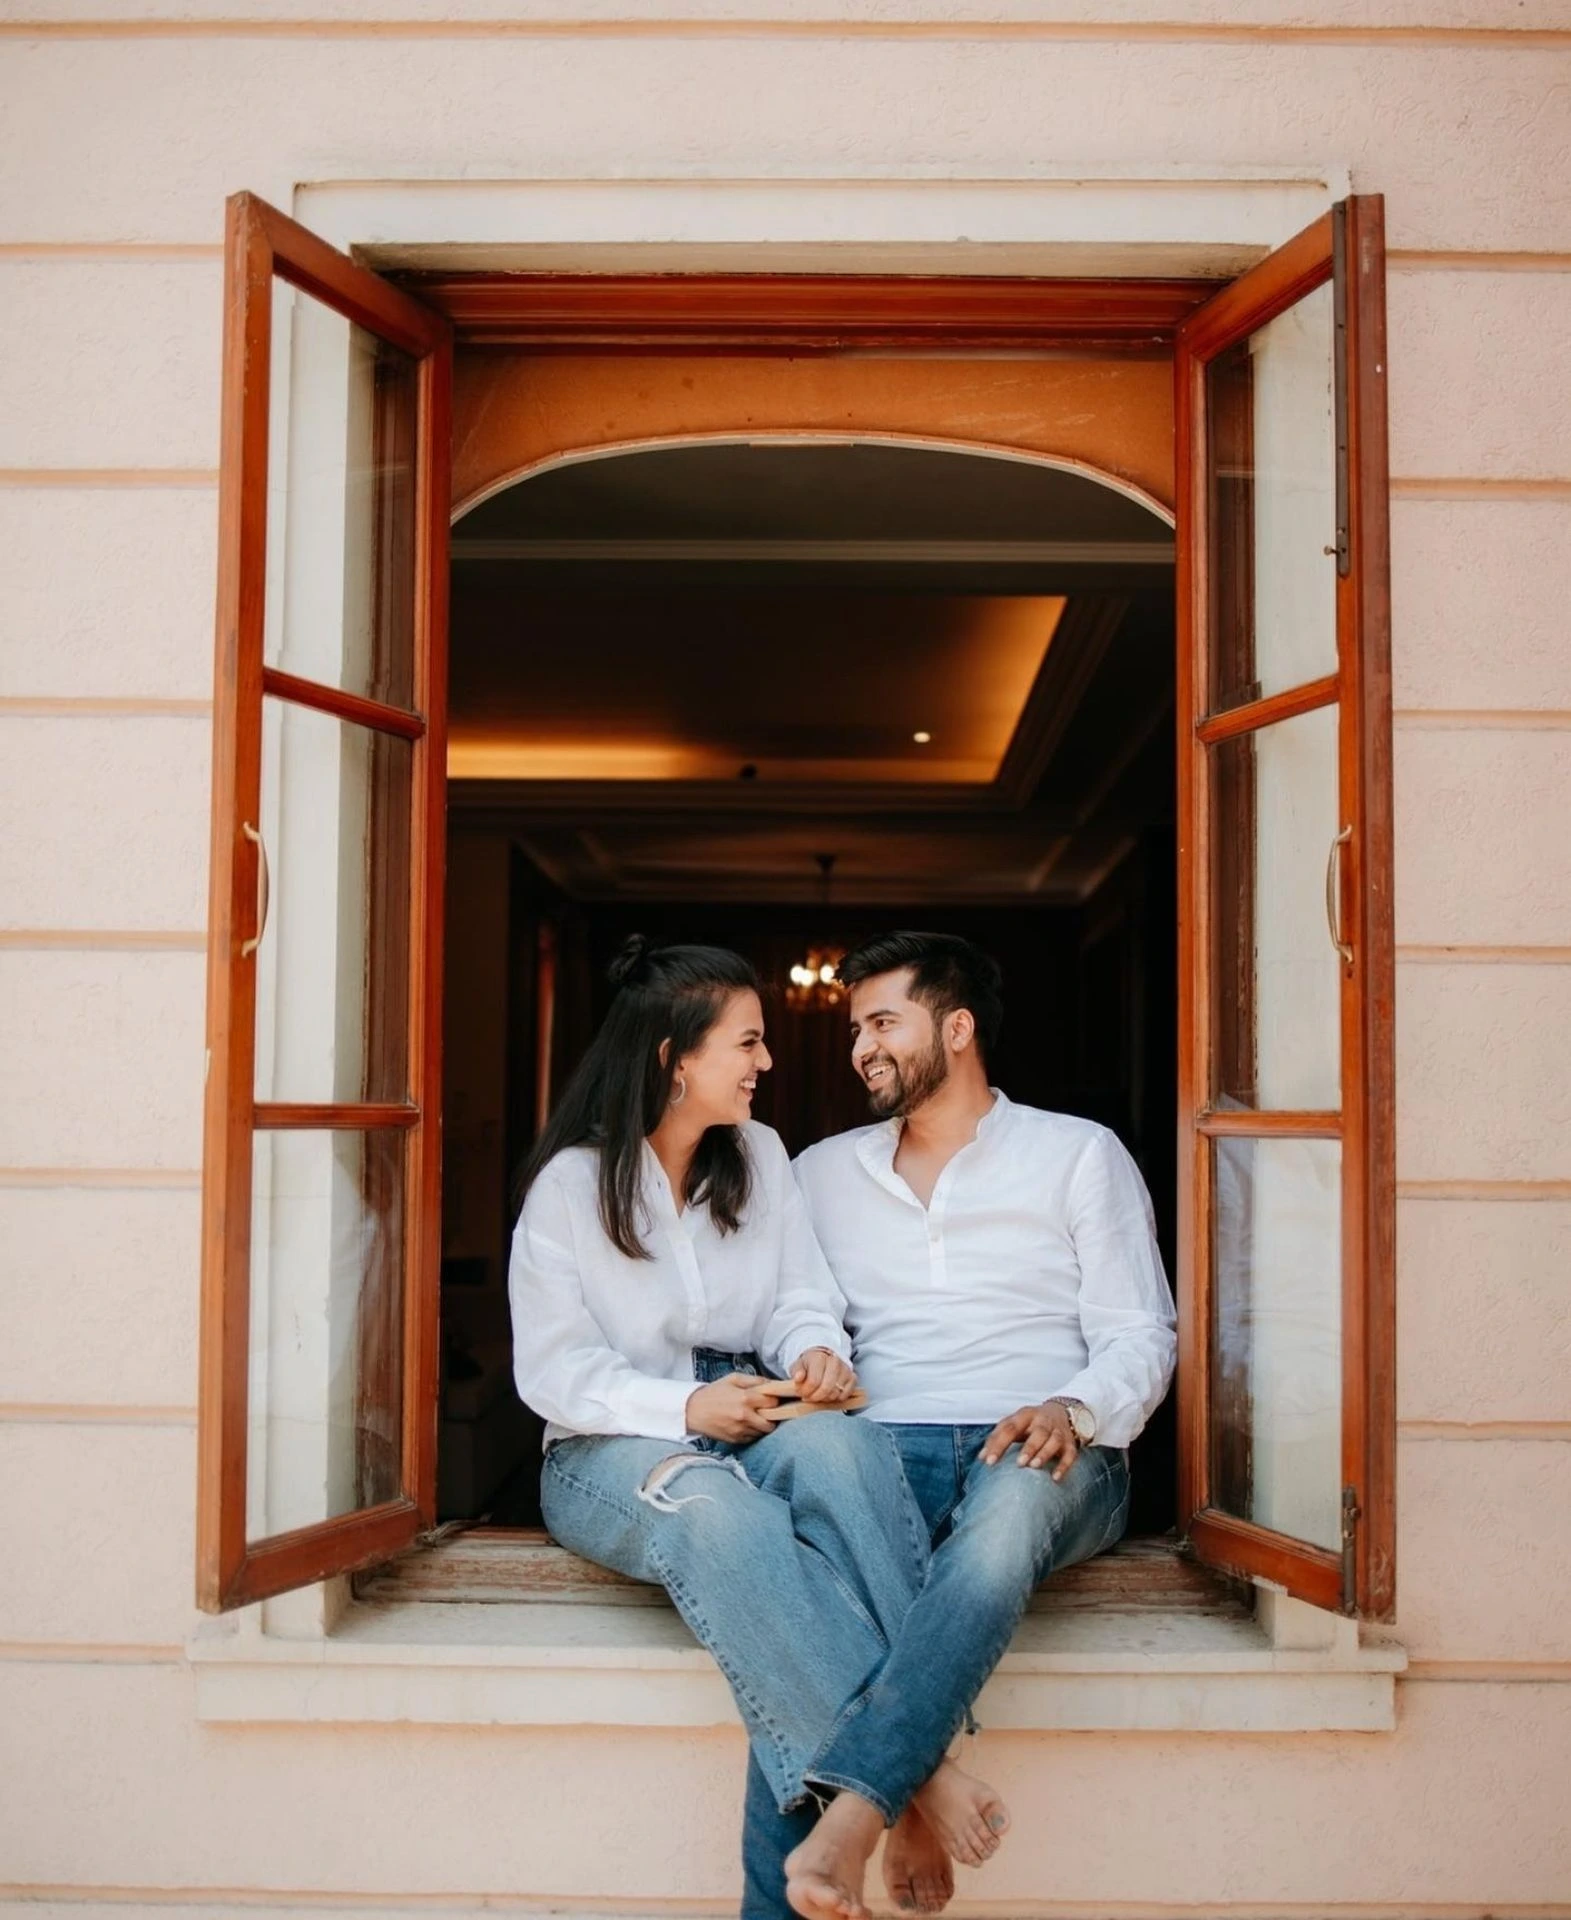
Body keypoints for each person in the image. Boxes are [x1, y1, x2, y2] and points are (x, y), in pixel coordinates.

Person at [508, 937, 1009, 1920]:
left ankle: (883, 1777)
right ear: (671, 1058)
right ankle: (911, 1778)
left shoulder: (762, 1155)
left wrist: (815, 1350)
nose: (765, 1063)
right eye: (745, 1043)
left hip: (756, 1407)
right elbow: (553, 1372)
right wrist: (680, 1410)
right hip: (607, 1441)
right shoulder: (570, 1187)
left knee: (844, 1452)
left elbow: (798, 1299)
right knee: (723, 1524)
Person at [746, 930, 1177, 1920]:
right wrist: (811, 1355)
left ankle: (855, 1813)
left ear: (957, 1026)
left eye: (882, 1022)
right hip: (877, 1441)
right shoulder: (817, 1170)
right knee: (819, 1597)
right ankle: (910, 1793)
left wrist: (1073, 1407)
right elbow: (792, 1308)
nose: (860, 1047)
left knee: (996, 1535)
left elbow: (1136, 1333)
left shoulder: (1076, 1152)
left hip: (1041, 1441)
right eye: (855, 1028)